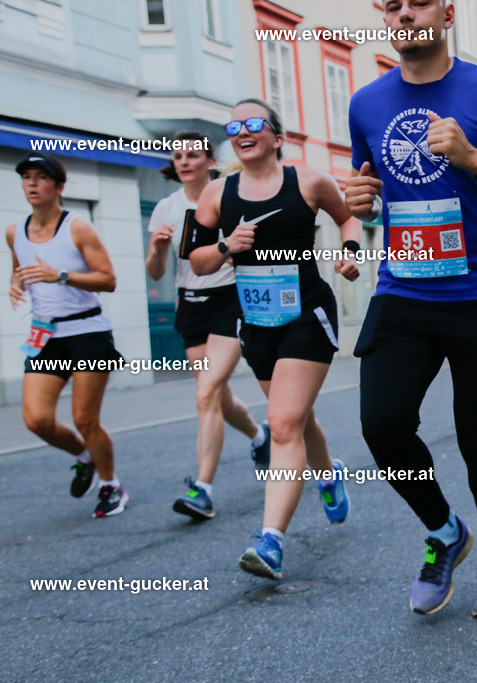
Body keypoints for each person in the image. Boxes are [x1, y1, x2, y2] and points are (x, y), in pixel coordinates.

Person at [345, 0, 477, 618]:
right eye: (393, 5)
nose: (405, 14)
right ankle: (442, 530)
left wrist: (475, 160)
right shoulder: (365, 103)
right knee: (382, 424)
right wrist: (361, 206)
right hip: (402, 289)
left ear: (447, 12)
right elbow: (371, 200)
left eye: (419, 2)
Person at [190, 98, 360, 579]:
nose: (242, 131)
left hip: (307, 313)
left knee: (282, 422)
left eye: (253, 123)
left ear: (276, 137)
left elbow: (349, 217)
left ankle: (270, 542)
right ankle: (329, 474)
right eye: (234, 126)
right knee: (297, 419)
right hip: (256, 320)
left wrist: (348, 253)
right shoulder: (216, 194)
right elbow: (196, 261)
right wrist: (225, 247)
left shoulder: (308, 181)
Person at [145, 131, 270, 521]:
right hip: (191, 304)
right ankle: (258, 435)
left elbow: (252, 244)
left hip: (229, 300)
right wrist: (158, 249)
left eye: (192, 155)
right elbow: (155, 273)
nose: (183, 161)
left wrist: (235, 253)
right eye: (177, 156)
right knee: (215, 395)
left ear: (209, 162)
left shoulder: (227, 196)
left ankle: (203, 489)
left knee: (206, 392)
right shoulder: (166, 207)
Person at [7, 153, 127, 517]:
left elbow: (108, 280)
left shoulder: (78, 227)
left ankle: (111, 485)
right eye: (26, 177)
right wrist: (16, 282)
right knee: (36, 419)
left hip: (87, 332)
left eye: (40, 178)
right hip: (46, 336)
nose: (31, 183)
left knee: (84, 419)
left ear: (59, 187)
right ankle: (83, 457)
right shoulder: (14, 231)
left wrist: (60, 275)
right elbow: (21, 268)